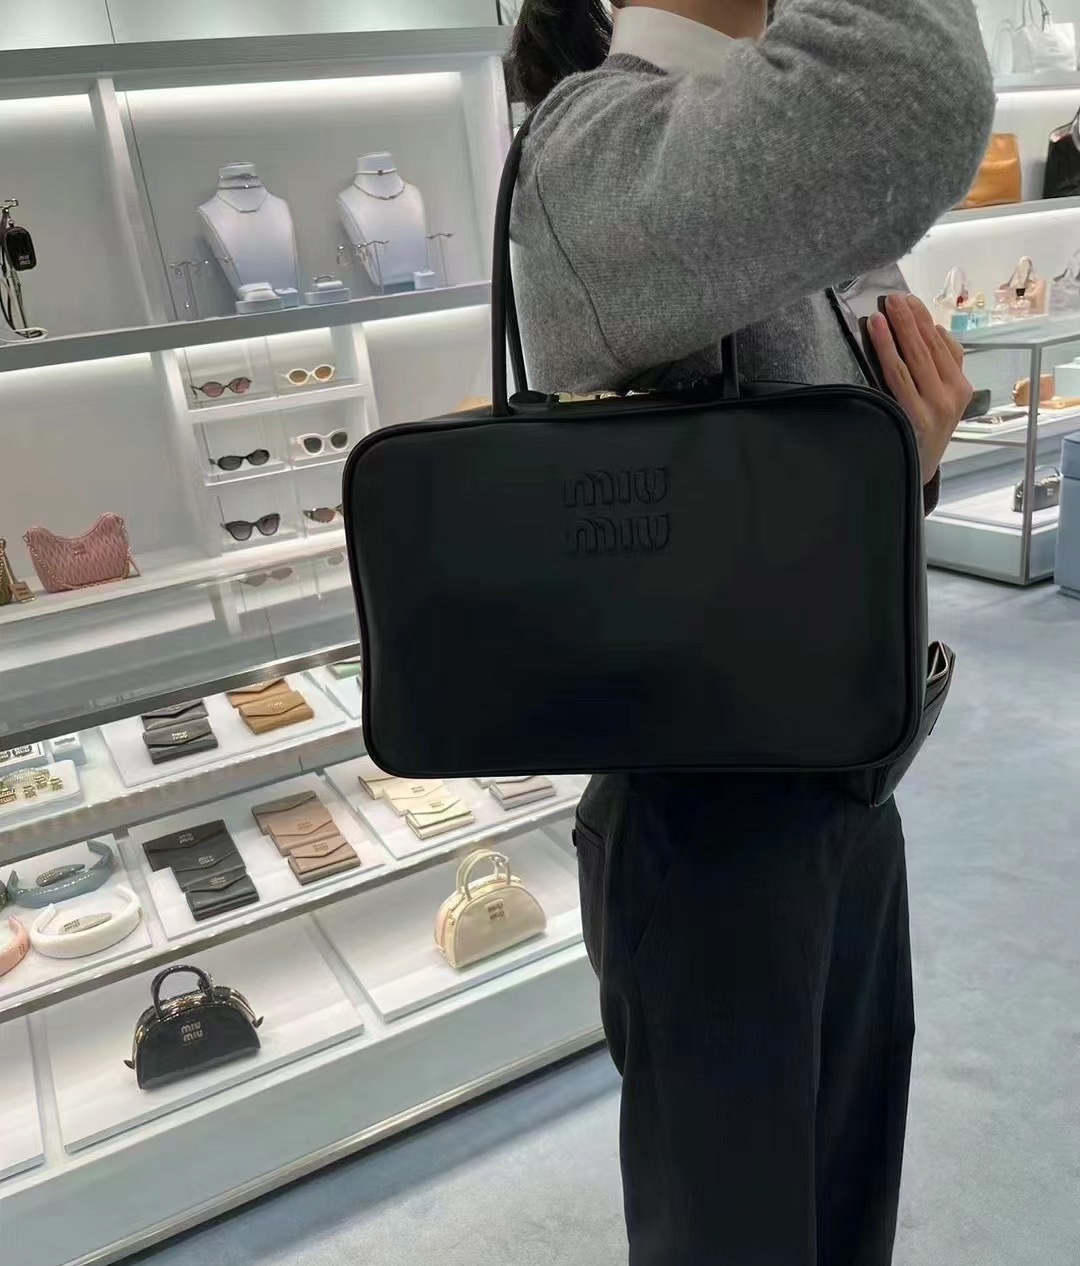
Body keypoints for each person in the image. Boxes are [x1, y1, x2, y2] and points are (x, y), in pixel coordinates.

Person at [505, 2, 994, 1263]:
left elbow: (807, 476)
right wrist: (877, 468)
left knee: (842, 1215)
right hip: (714, 831)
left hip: (846, 786)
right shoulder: (598, 157)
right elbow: (915, 84)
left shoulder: (733, 149)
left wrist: (899, 467)